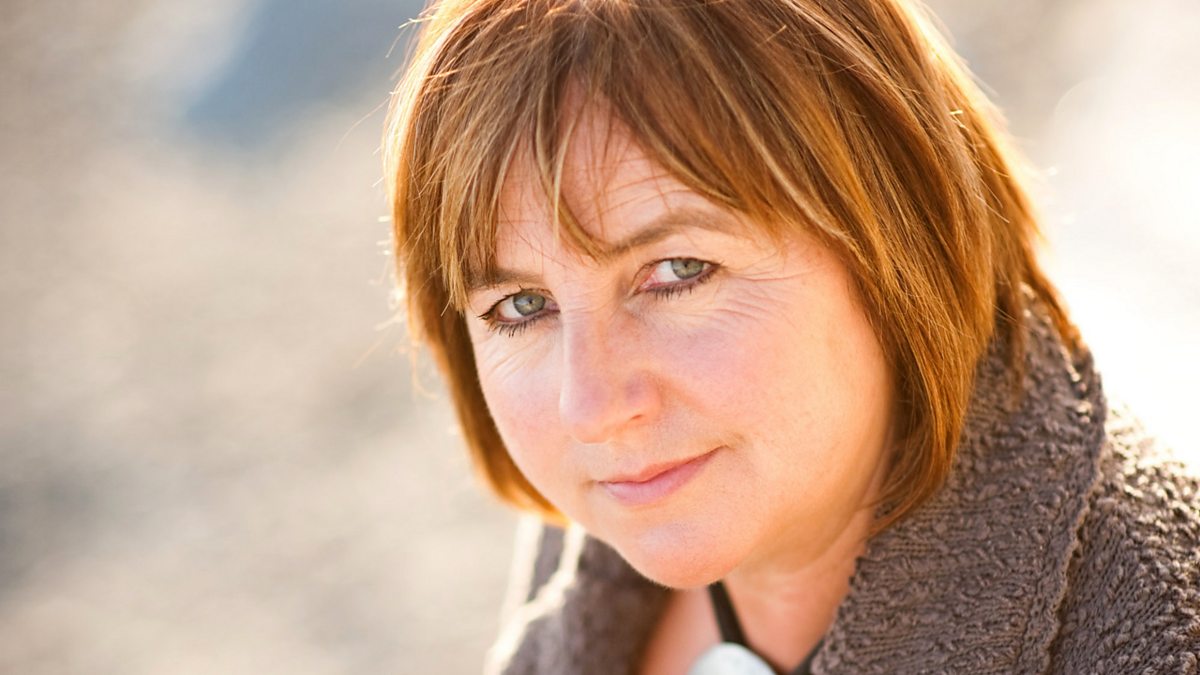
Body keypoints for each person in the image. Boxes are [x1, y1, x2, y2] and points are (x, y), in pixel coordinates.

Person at [383, 0, 1200, 672]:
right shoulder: (606, 533)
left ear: (893, 237)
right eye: (523, 306)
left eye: (678, 270)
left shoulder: (1154, 628)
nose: (591, 406)